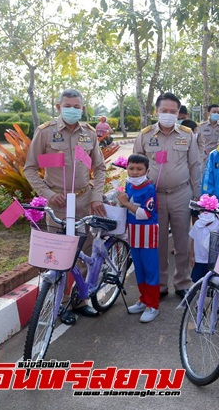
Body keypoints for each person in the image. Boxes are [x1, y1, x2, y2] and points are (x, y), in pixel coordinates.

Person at [24, 88, 106, 324]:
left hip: (83, 200)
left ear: (82, 108)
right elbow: (30, 167)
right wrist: (48, 194)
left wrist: (96, 196)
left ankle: (79, 300)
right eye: (68, 105)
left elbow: (99, 168)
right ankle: (60, 305)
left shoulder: (89, 134)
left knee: (84, 252)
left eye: (77, 106)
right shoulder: (45, 132)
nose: (73, 110)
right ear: (59, 107)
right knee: (58, 256)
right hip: (58, 203)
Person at [133, 92, 200, 298]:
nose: (168, 115)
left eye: (173, 111)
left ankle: (182, 282)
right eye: (164, 111)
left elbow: (195, 166)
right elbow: (134, 166)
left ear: (178, 113)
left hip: (181, 193)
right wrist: (137, 197)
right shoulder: (145, 135)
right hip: (154, 197)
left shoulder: (187, 134)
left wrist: (197, 199)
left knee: (181, 242)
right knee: (158, 242)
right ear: (156, 111)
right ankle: (160, 284)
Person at [116, 154, 160, 323]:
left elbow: (145, 214)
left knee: (150, 271)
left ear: (147, 170)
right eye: (131, 168)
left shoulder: (149, 188)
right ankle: (144, 300)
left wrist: (126, 203)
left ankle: (153, 305)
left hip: (148, 234)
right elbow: (127, 207)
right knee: (139, 271)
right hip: (133, 233)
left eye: (139, 169)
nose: (134, 172)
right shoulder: (128, 184)